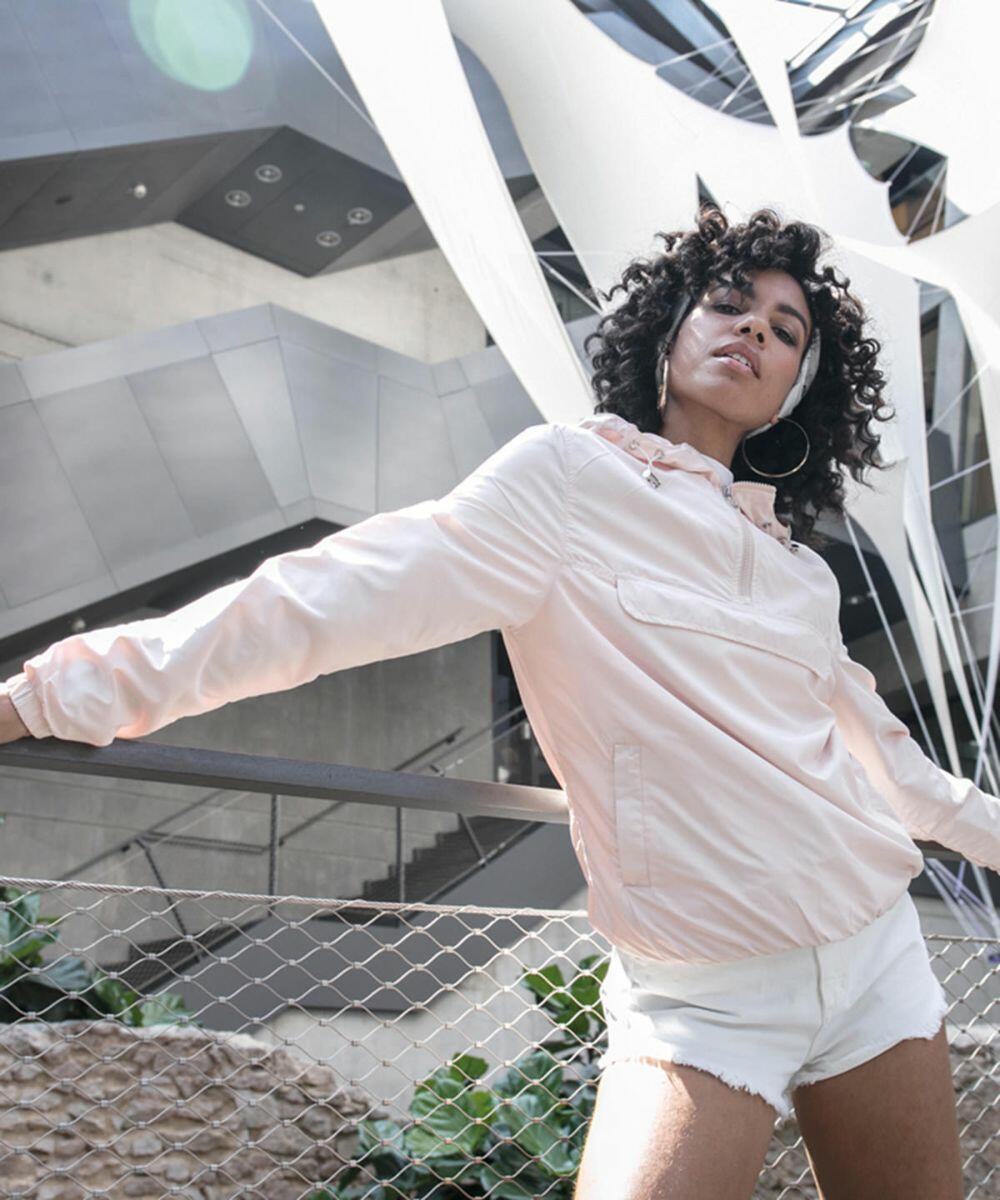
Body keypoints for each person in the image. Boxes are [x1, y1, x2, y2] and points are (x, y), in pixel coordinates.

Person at [0, 205, 993, 1199]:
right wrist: (46, 695)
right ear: (667, 331)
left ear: (792, 394)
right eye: (729, 306)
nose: (753, 334)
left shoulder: (798, 577)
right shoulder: (565, 479)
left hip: (875, 956)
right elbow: (322, 597)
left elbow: (901, 777)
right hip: (706, 990)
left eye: (785, 333)